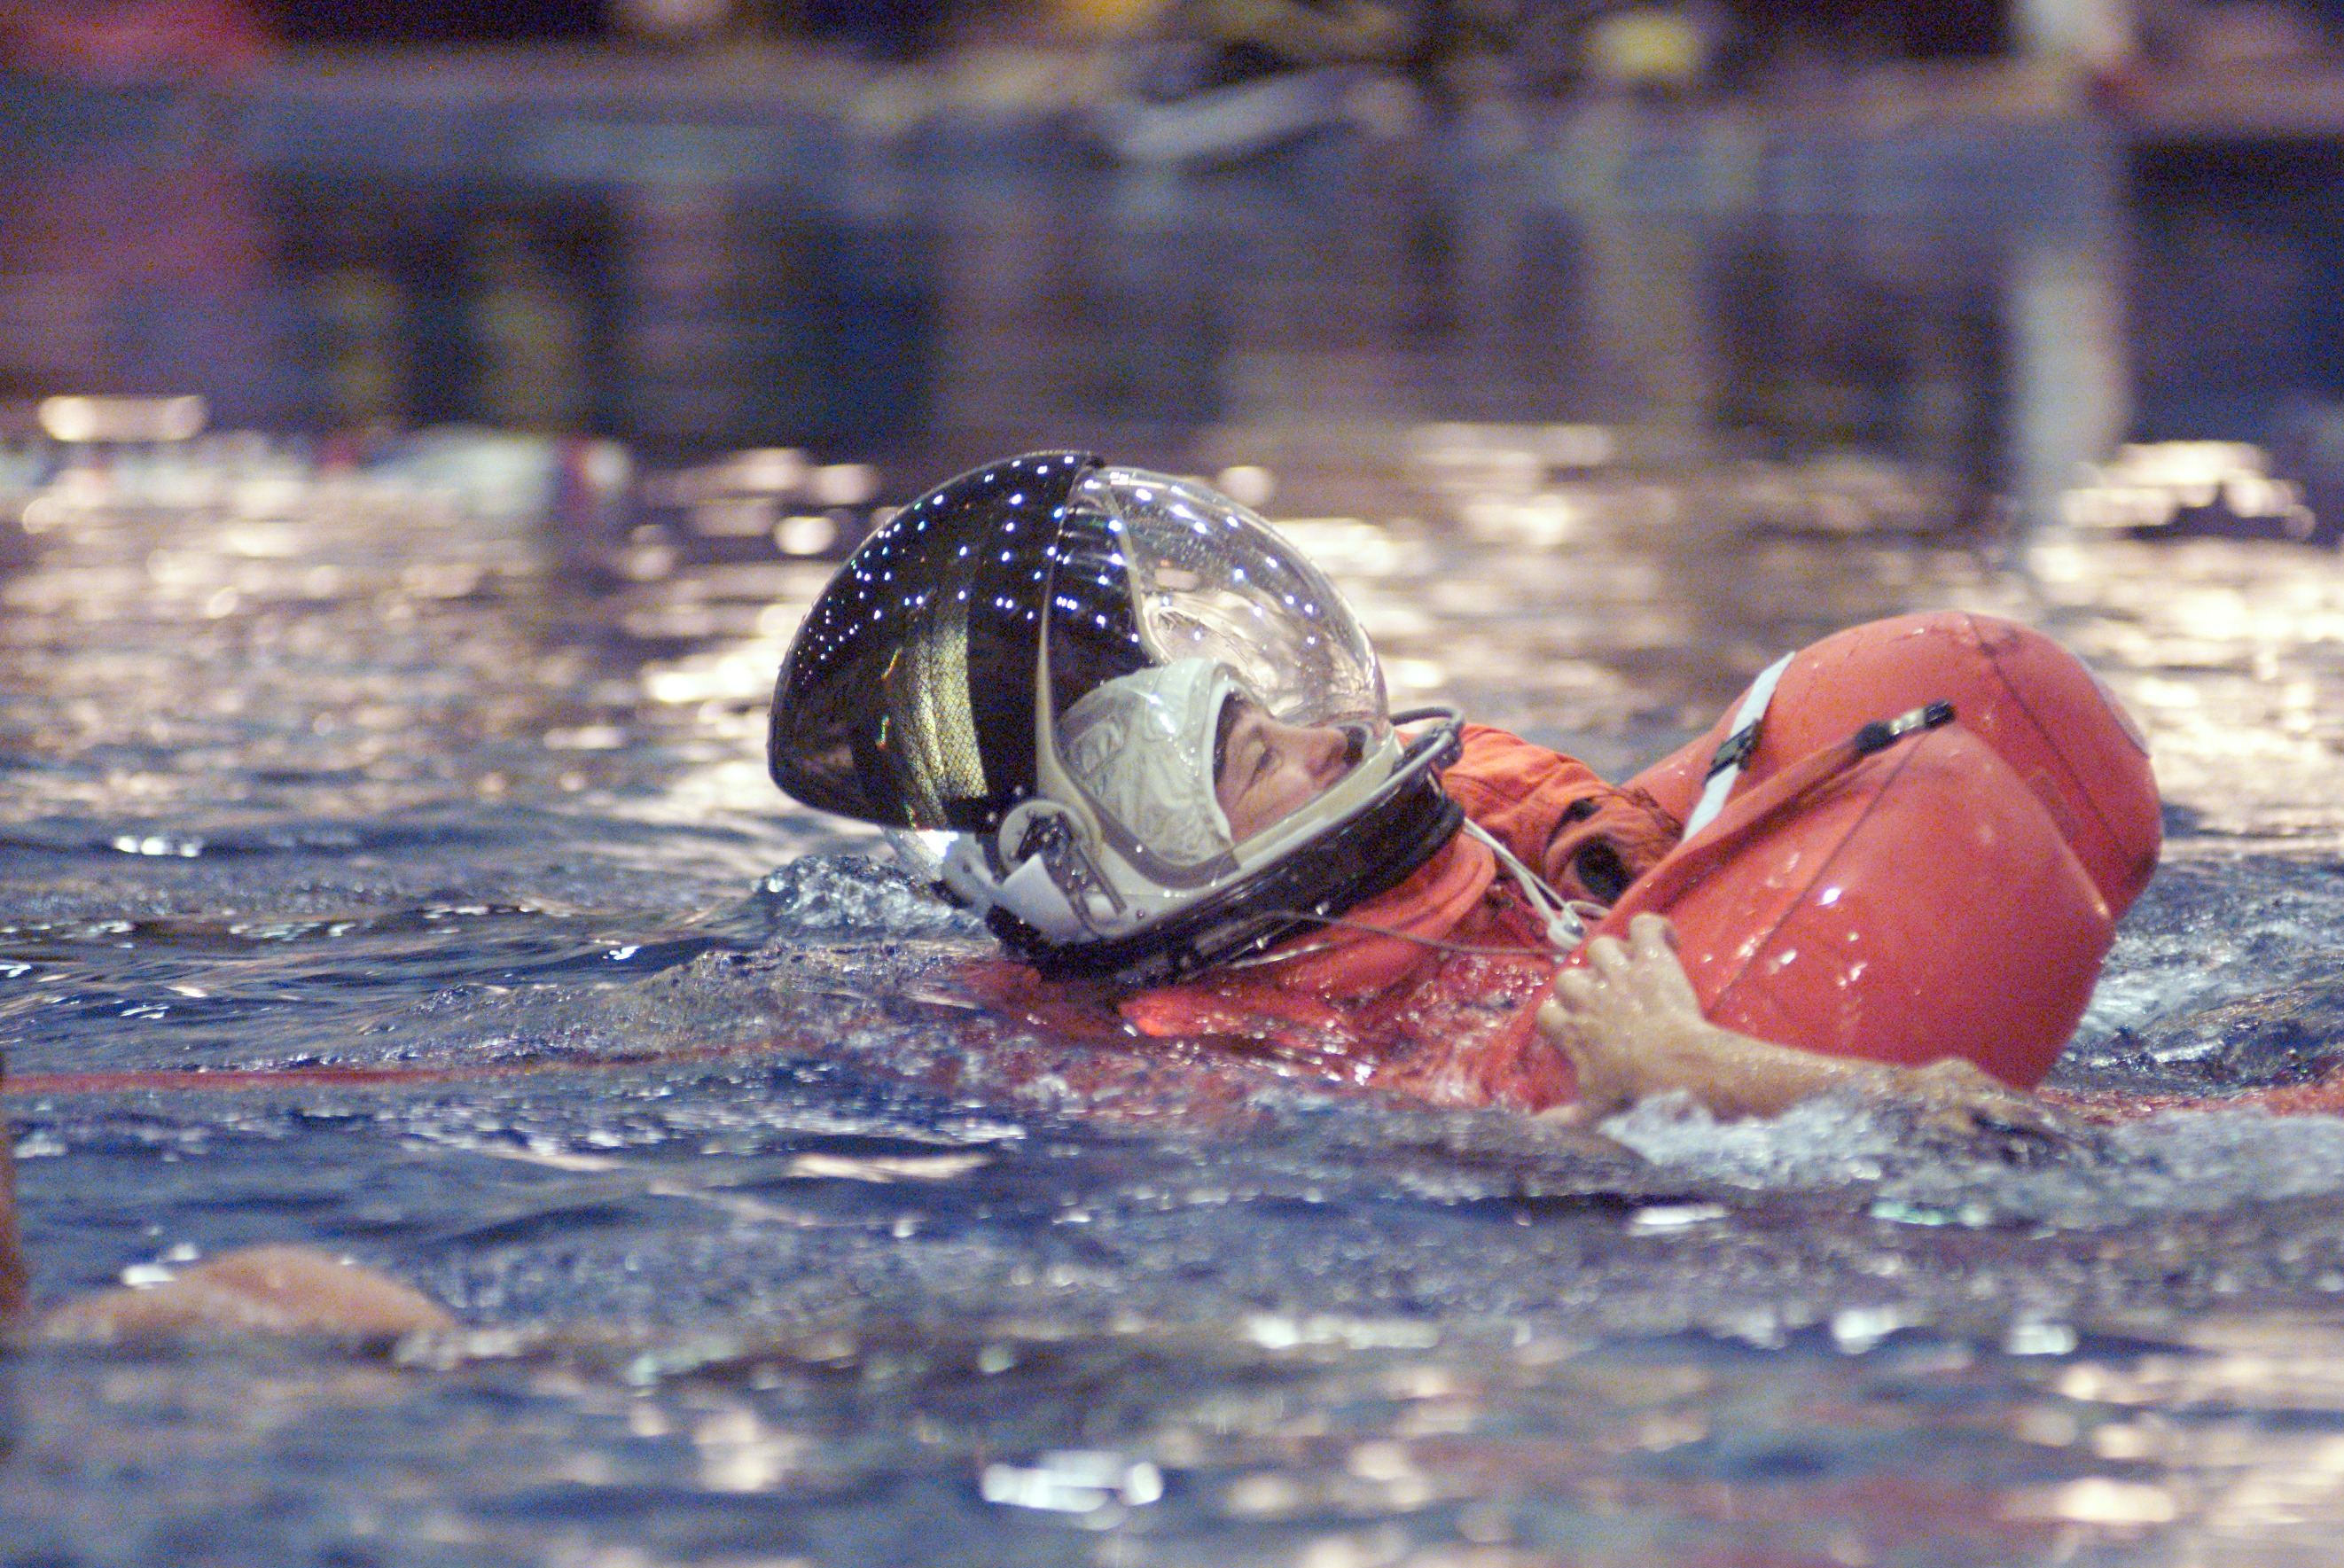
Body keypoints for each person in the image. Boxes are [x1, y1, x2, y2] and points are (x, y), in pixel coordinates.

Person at [768, 452, 2163, 1129]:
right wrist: (1702, 1079)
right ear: (1136, 876)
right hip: (1676, 1203)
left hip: (1646, 980)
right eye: (1259, 760)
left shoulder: (1449, 815)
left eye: (1270, 718)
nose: (1325, 747)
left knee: (1963, 679)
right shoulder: (1251, 1057)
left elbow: (1572, 812)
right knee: (1936, 803)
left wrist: (1618, 862)